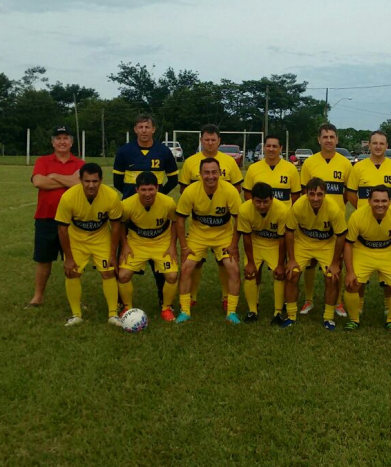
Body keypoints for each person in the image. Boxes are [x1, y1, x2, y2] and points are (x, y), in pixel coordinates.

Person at [112, 113, 179, 311]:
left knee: (160, 267)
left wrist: (159, 197)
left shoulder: (163, 151)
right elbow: (117, 181)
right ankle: (120, 302)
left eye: (147, 127)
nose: (143, 130)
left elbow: (173, 179)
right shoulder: (125, 151)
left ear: (153, 129)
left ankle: (163, 300)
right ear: (135, 129)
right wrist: (130, 196)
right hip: (132, 213)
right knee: (122, 257)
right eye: (140, 127)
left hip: (156, 215)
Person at [179, 124, 243, 311]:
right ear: (201, 140)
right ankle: (189, 302)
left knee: (228, 265)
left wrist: (221, 202)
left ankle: (228, 303)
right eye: (206, 139)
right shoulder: (191, 162)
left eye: (213, 139)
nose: (209, 143)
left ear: (219, 141)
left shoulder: (229, 163)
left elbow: (236, 189)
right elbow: (185, 193)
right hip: (198, 228)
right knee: (191, 265)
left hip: (223, 229)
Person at [345, 130, 391, 315]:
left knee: (389, 271)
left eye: (382, 143)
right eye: (375, 143)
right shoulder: (359, 167)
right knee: (359, 273)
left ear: (387, 146)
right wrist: (364, 210)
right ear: (369, 145)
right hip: (364, 227)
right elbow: (350, 193)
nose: (378, 146)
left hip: (386, 225)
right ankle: (360, 304)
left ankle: (389, 305)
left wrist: (388, 209)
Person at [55, 163, 123, 327]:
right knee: (72, 273)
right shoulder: (68, 197)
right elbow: (62, 229)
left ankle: (113, 314)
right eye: (87, 181)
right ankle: (76, 314)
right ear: (80, 180)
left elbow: (115, 227)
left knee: (108, 273)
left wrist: (113, 254)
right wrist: (69, 257)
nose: (91, 185)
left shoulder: (111, 196)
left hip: (101, 238)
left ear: (101, 180)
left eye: (95, 181)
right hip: (77, 239)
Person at [299, 123, 352, 317]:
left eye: (332, 137)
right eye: (325, 137)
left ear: (337, 139)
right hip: (312, 223)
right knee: (310, 263)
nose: (328, 140)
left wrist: (337, 208)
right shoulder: (309, 163)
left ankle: (337, 302)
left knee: (336, 262)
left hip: (334, 224)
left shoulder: (345, 163)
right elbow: (304, 193)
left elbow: (348, 193)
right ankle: (308, 299)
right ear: (319, 139)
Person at [28, 125, 85, 307]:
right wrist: (68, 179)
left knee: (73, 260)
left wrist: (54, 176)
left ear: (72, 142)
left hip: (73, 219)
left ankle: (75, 299)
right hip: (46, 217)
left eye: (66, 138)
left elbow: (80, 185)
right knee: (44, 260)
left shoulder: (80, 164)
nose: (62, 142)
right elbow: (38, 182)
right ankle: (38, 297)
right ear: (53, 142)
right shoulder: (42, 161)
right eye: (58, 138)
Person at [342, 186, 391, 331]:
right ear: (369, 201)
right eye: (376, 201)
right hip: (363, 251)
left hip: (387, 252)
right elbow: (348, 245)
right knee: (352, 284)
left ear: (390, 202)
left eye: (384, 201)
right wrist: (350, 272)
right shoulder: (357, 216)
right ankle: (354, 319)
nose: (380, 204)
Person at [284, 177, 348, 330]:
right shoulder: (299, 205)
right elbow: (289, 231)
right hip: (304, 242)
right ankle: (291, 316)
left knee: (332, 277)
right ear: (306, 194)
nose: (315, 198)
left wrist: (334, 263)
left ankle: (328, 317)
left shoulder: (333, 208)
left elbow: (341, 236)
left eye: (319, 194)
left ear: (325, 194)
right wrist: (291, 259)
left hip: (326, 244)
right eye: (312, 194)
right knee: (292, 274)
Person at [116, 172, 179, 322]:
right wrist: (124, 246)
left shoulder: (168, 202)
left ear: (157, 188)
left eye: (151, 189)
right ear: (137, 189)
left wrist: (172, 246)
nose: (147, 193)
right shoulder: (126, 204)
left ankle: (166, 308)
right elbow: (120, 224)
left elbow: (176, 222)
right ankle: (127, 307)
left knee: (172, 275)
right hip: (137, 243)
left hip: (161, 243)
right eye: (143, 190)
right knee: (123, 275)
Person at [236, 182, 289, 324]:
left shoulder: (282, 210)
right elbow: (246, 237)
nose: (262, 205)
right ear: (252, 199)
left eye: (265, 201)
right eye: (258, 202)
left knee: (279, 274)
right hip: (256, 243)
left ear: (272, 199)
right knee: (250, 273)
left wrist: (280, 265)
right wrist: (251, 262)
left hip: (274, 244)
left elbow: (282, 240)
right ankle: (252, 311)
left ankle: (278, 312)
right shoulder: (245, 210)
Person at [242, 135, 301, 206]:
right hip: (260, 215)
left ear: (280, 148)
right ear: (264, 147)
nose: (271, 149)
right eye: (268, 146)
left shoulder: (291, 168)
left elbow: (296, 195)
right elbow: (247, 194)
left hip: (283, 215)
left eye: (274, 146)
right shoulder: (253, 168)